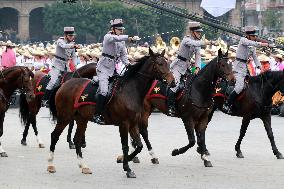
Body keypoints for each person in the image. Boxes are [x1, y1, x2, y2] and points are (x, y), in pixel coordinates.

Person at [92, 19, 140, 124]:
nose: (121, 31)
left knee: (119, 88)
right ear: (113, 29)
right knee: (104, 91)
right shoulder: (108, 37)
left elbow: (123, 54)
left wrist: (128, 65)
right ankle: (97, 114)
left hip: (114, 69)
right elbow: (116, 38)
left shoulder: (121, 41)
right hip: (103, 68)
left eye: (122, 29)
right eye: (119, 29)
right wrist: (130, 38)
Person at [167, 22, 211, 116]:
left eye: (200, 32)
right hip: (178, 65)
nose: (200, 34)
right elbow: (194, 43)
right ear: (192, 32)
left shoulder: (197, 42)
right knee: (175, 84)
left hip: (187, 66)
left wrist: (197, 67)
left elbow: (198, 56)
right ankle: (170, 107)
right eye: (198, 32)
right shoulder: (186, 39)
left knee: (195, 83)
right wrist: (204, 42)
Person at [223, 26, 269, 114]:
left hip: (245, 67)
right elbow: (252, 43)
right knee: (239, 87)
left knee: (250, 87)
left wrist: (260, 67)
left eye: (255, 36)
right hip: (237, 67)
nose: (255, 37)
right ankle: (227, 103)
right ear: (248, 36)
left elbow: (255, 57)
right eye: (253, 36)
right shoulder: (243, 40)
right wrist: (264, 44)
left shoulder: (252, 44)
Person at [42, 27, 80, 107]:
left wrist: (75, 64)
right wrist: (73, 46)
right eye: (70, 36)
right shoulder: (60, 41)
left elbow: (74, 56)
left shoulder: (72, 44)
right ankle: (44, 100)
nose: (72, 37)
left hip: (66, 65)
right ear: (65, 35)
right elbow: (64, 46)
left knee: (71, 80)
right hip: (57, 64)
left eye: (73, 36)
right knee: (53, 81)